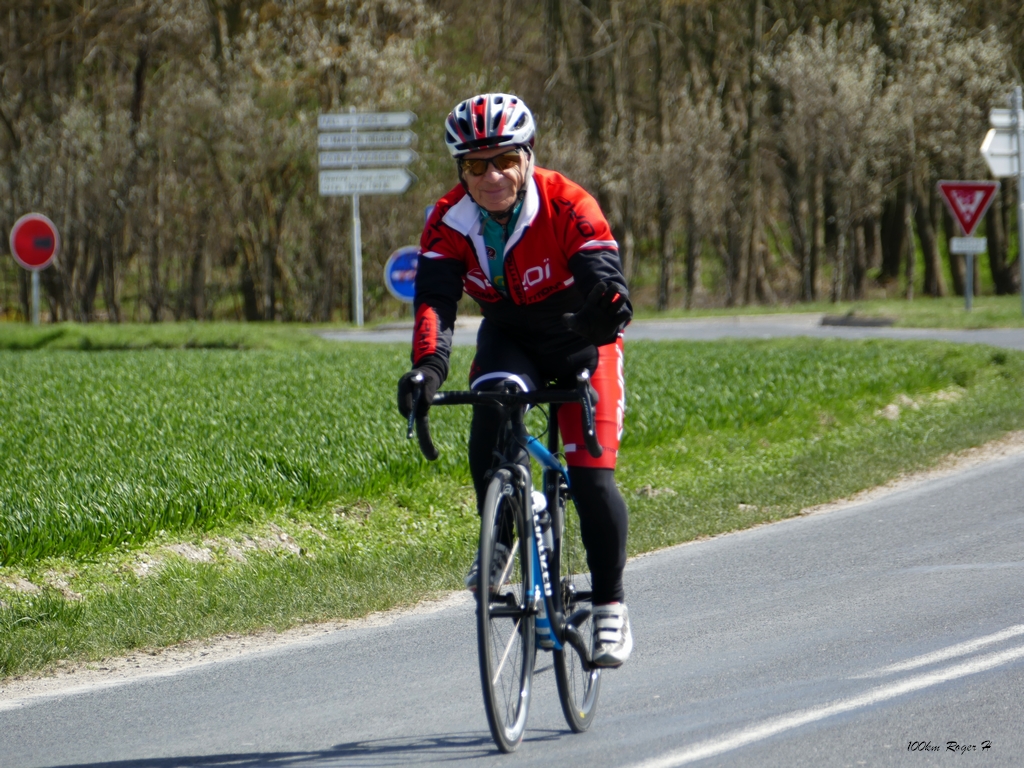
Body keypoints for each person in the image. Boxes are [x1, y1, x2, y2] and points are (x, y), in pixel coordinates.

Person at [397, 93, 633, 667]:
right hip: (511, 337)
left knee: (592, 477)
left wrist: (606, 307)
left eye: (504, 159)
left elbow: (604, 277)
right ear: (461, 170)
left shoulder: (568, 203)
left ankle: (610, 607)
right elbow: (435, 304)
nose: (492, 176)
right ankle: (500, 533)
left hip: (580, 338)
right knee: (492, 403)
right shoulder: (448, 221)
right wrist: (427, 369)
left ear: (528, 156)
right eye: (476, 165)